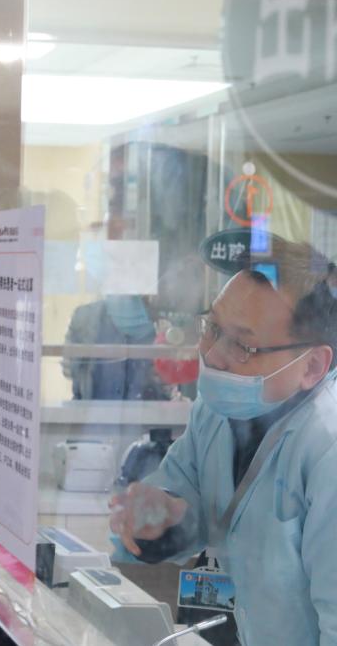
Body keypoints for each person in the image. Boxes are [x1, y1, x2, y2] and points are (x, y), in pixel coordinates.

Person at [109, 237, 337, 646]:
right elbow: (191, 499)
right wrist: (163, 518)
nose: (213, 355)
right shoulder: (217, 410)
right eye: (212, 328)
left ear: (312, 366)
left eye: (242, 345)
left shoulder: (326, 449)